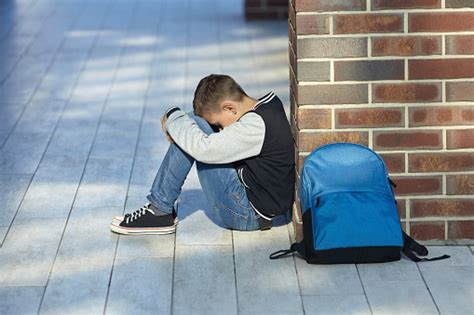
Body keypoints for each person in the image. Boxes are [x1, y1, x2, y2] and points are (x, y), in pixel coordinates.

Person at [110, 74, 295, 234]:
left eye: (218, 124)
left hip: (247, 214)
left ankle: (159, 211)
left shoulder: (255, 126)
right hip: (252, 201)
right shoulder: (268, 105)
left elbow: (203, 149)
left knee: (193, 130)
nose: (220, 130)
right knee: (191, 125)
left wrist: (172, 114)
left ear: (229, 108)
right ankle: (159, 208)